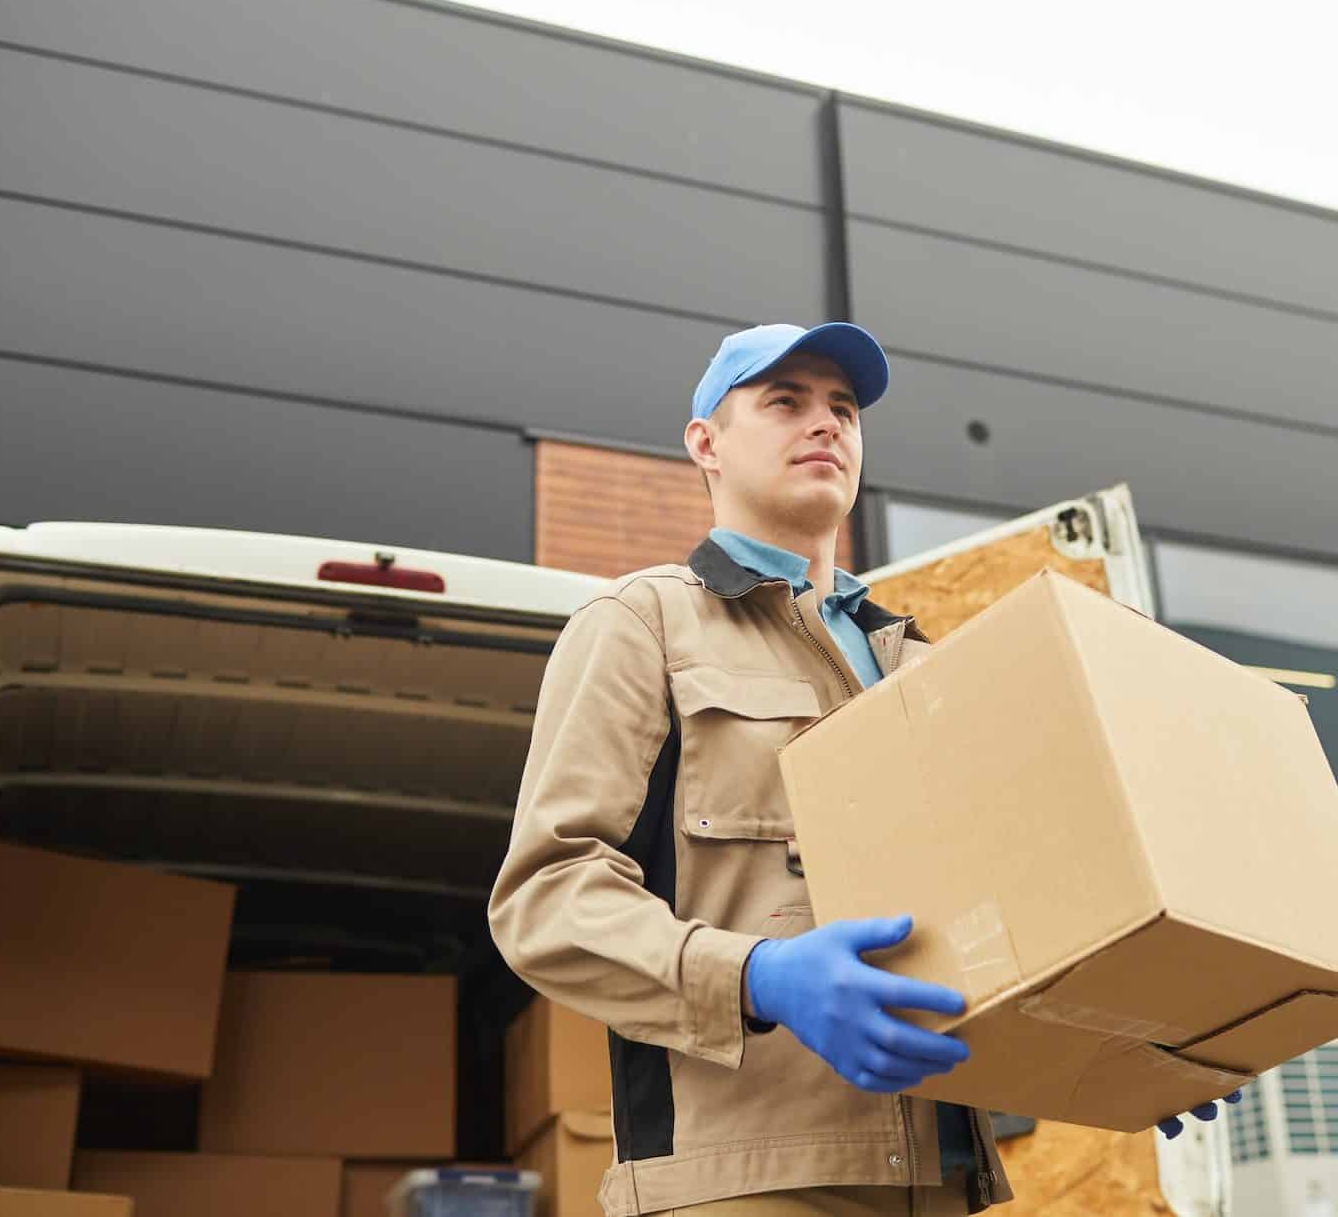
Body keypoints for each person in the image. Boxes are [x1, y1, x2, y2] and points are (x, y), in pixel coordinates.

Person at [489, 323, 1231, 1217]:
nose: (826, 423)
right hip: (747, 1189)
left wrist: (1130, 1041)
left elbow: (1011, 909)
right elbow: (545, 897)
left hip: (947, 1184)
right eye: (785, 401)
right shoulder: (641, 625)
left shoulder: (922, 666)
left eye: (843, 407)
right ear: (705, 444)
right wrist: (760, 976)